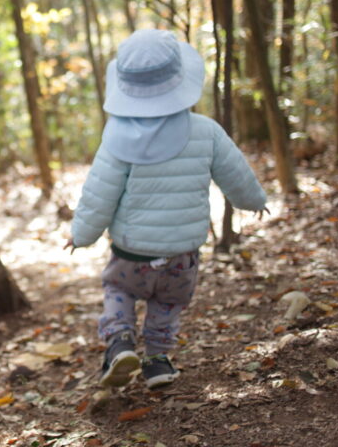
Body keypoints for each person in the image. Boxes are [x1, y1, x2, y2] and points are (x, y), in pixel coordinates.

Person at [65, 29, 267, 389]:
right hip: (182, 253)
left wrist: (81, 235)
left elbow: (100, 193)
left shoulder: (116, 137)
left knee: (119, 291)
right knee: (169, 304)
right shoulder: (206, 131)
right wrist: (255, 202)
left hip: (131, 250)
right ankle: (157, 361)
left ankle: (120, 342)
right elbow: (237, 176)